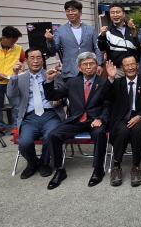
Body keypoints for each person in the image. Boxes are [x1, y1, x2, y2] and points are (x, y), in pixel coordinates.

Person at [43, 52, 112, 189]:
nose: (88, 67)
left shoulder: (104, 82)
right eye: (85, 64)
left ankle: (98, 169)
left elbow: (109, 104)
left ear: (96, 66)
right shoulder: (72, 82)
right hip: (76, 120)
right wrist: (50, 81)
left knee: (99, 133)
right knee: (53, 135)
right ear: (79, 67)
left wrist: (101, 119)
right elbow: (52, 96)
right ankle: (59, 170)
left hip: (95, 120)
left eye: (91, 63)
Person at [7, 48, 64, 179]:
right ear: (26, 61)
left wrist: (59, 98)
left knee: (50, 137)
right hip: (30, 117)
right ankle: (32, 164)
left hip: (50, 115)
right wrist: (14, 74)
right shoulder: (20, 78)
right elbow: (11, 94)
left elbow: (64, 93)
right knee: (24, 143)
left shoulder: (52, 74)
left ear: (42, 60)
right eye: (32, 58)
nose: (36, 61)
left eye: (39, 57)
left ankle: (44, 163)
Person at [104, 55, 141, 187]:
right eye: (127, 65)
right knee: (122, 131)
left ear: (138, 65)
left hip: (140, 118)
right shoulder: (117, 82)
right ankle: (116, 166)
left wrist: (139, 116)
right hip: (122, 118)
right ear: (122, 68)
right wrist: (110, 78)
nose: (130, 67)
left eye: (132, 64)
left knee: (138, 130)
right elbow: (105, 97)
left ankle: (136, 167)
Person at [45, 0, 103, 80]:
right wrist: (50, 40)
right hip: (70, 72)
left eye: (73, 10)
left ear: (80, 12)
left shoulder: (90, 29)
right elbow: (54, 49)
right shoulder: (60, 30)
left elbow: (97, 48)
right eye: (67, 11)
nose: (70, 13)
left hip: (89, 70)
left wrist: (99, 64)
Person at [98, 3, 139, 78]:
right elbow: (102, 48)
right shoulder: (107, 31)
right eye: (112, 12)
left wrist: (133, 31)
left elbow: (137, 46)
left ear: (124, 14)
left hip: (132, 68)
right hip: (116, 70)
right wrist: (102, 35)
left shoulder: (131, 28)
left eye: (118, 12)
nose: (115, 15)